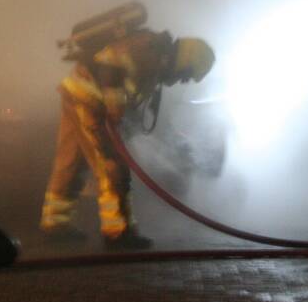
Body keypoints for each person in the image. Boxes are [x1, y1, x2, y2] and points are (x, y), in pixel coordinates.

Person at [40, 23, 215, 249]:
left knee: (71, 163)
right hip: (90, 102)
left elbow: (129, 88)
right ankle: (118, 231)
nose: (182, 81)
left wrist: (122, 113)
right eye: (187, 75)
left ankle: (55, 224)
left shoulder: (156, 58)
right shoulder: (148, 48)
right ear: (186, 60)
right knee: (113, 166)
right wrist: (114, 106)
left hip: (77, 93)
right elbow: (108, 61)